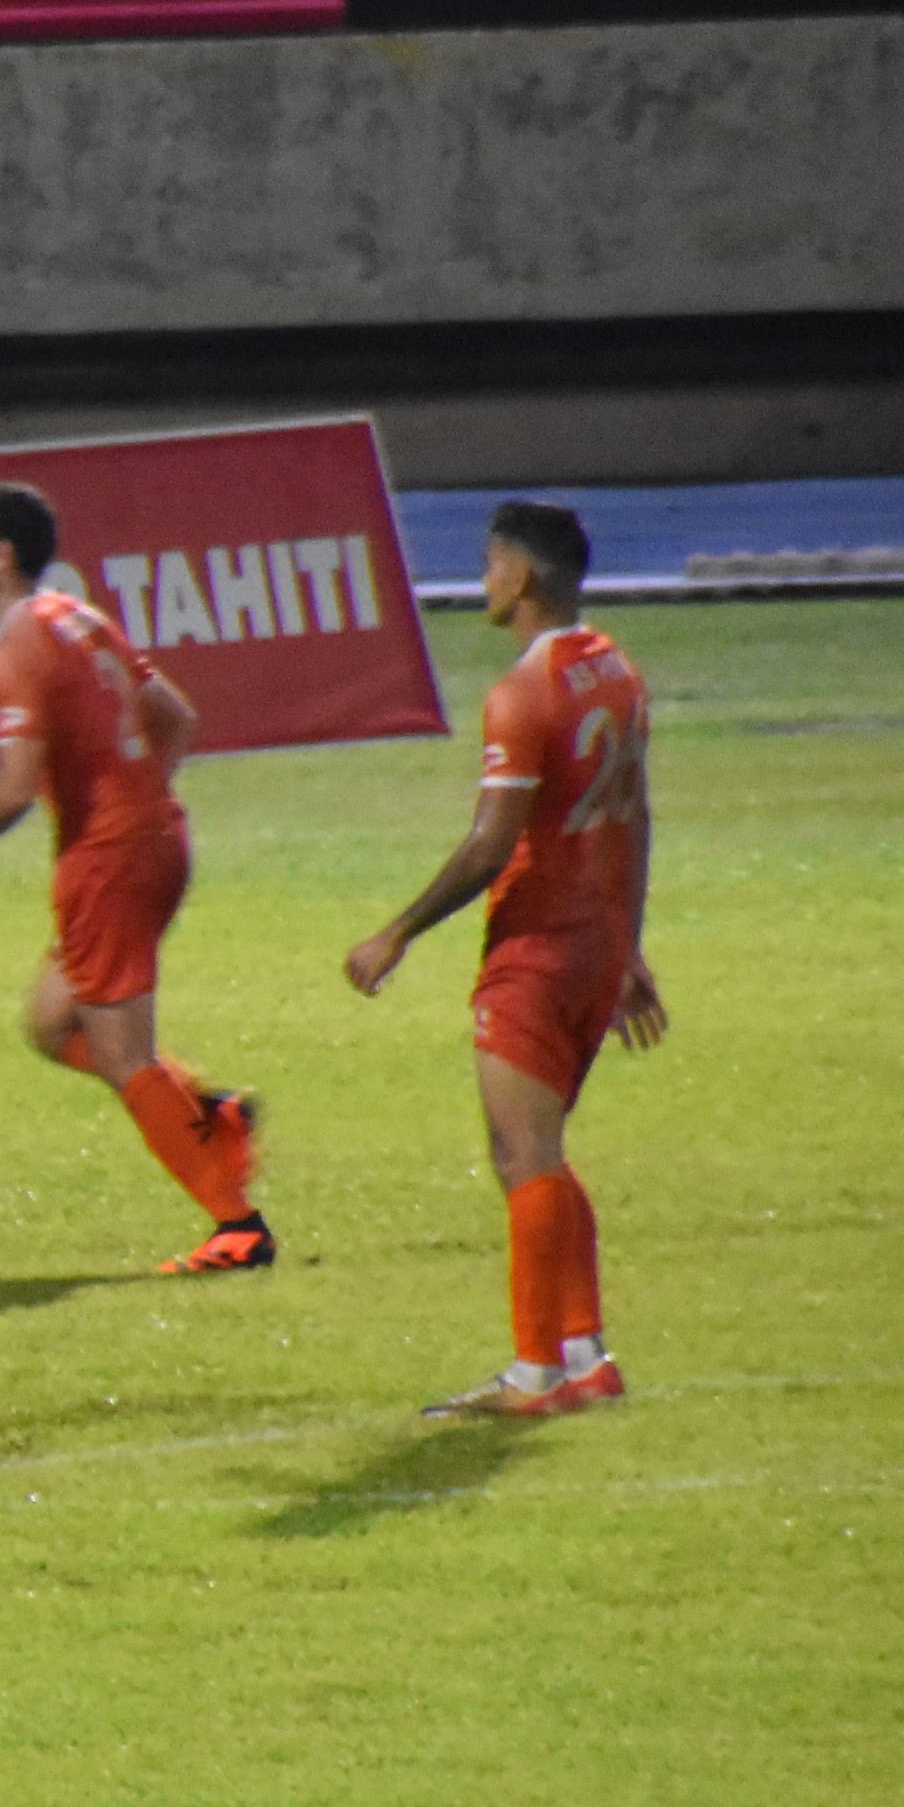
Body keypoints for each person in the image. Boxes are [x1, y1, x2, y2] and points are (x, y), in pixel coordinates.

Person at [345, 498, 659, 1417]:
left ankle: (533, 1376)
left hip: (538, 943)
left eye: (489, 566)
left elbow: (489, 847)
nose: (483, 581)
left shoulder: (524, 692)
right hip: (597, 941)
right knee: (545, 1149)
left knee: (519, 1149)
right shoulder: (618, 671)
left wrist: (394, 932)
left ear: (521, 577)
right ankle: (586, 1353)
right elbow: (636, 815)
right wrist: (629, 945)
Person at [0, 478, 275, 1275]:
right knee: (50, 1022)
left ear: (0, 556)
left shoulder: (17, 643)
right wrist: (142, 795)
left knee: (121, 1054)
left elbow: (13, 790)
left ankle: (237, 1225)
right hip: (151, 843)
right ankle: (213, 1114)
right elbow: (175, 717)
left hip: (109, 861)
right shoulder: (78, 617)